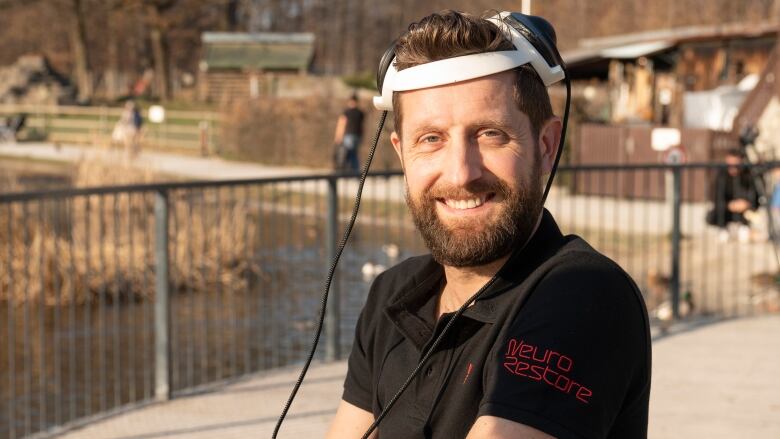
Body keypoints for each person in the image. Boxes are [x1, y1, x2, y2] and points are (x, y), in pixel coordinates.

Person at [327, 10, 650, 439]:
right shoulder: (393, 294)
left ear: (547, 145)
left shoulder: (582, 293)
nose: (461, 173)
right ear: (401, 154)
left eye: (490, 134)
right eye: (431, 139)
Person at [705, 149, 759, 242]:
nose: (733, 167)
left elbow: (755, 196)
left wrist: (746, 204)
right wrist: (730, 205)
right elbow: (717, 198)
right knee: (715, 213)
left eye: (736, 164)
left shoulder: (748, 175)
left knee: (752, 214)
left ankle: (745, 228)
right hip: (726, 211)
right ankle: (723, 229)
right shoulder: (721, 176)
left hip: (744, 212)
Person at [333, 93, 365, 172]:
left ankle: (351, 170)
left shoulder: (347, 112)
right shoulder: (360, 113)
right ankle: (353, 170)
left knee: (349, 153)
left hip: (348, 135)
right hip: (357, 136)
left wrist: (338, 136)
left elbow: (342, 124)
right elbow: (362, 126)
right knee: (353, 153)